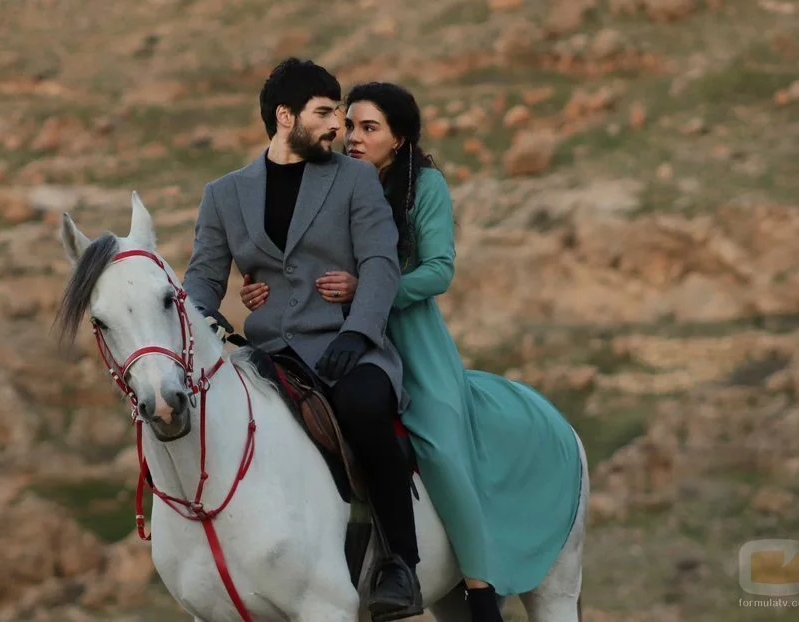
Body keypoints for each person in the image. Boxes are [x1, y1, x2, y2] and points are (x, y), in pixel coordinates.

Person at [239, 82, 584, 622]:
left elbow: (439, 269)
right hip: (331, 334)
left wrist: (373, 291)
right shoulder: (330, 181)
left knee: (440, 449)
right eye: (350, 126)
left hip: (408, 335)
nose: (353, 137)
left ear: (398, 138)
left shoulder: (425, 187)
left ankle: (479, 590)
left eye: (369, 128)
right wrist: (260, 286)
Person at [181, 60, 423, 620]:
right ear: (284, 117)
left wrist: (359, 331)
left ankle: (400, 563)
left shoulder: (355, 180)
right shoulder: (223, 194)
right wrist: (200, 321)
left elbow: (380, 263)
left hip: (347, 347)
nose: (337, 125)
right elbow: (204, 278)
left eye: (338, 112)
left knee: (364, 408)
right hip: (267, 353)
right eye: (324, 113)